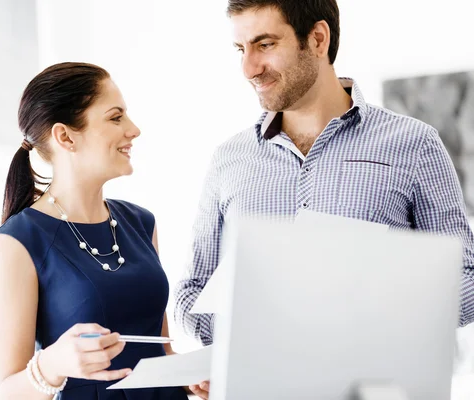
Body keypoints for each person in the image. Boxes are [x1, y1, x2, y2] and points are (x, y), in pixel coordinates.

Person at [175, 1, 474, 397]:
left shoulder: (413, 145)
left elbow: (467, 277)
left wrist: (371, 319)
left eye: (264, 44)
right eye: (240, 49)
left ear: (317, 39)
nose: (249, 68)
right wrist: (237, 342)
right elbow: (189, 292)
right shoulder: (229, 160)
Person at [0, 62, 194, 400]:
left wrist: (190, 376)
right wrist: (51, 365)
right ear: (65, 136)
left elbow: (160, 351)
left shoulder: (142, 223)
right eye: (116, 117)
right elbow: (8, 392)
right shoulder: (18, 242)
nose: (134, 129)